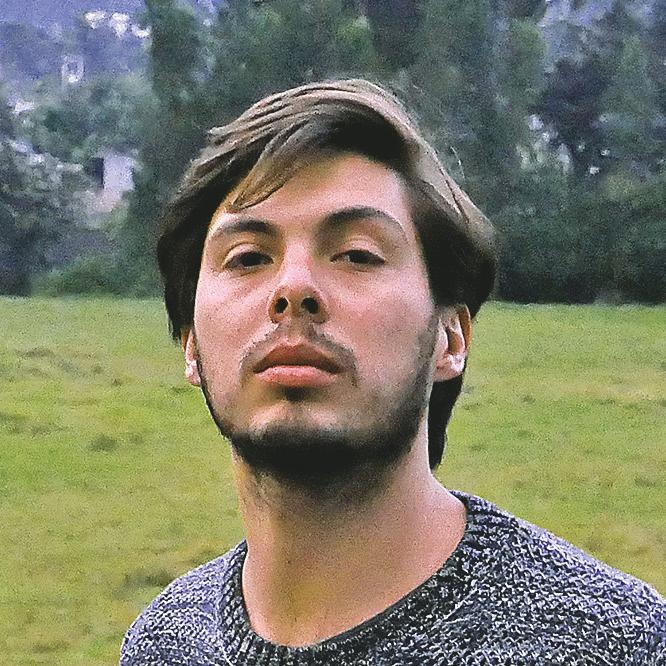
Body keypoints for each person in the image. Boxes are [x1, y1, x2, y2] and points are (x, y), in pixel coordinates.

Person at [120, 79, 664, 665]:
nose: (294, 287)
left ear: (449, 337)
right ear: (191, 343)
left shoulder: (615, 644)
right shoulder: (164, 642)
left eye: (357, 254)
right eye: (248, 257)